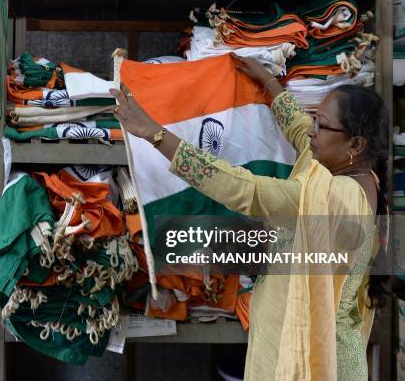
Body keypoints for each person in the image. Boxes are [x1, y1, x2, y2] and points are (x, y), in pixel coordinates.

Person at [110, 55, 389, 380]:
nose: (312, 131)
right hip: (286, 343)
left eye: (321, 124)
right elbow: (300, 129)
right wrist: (269, 82)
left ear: (354, 144)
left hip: (315, 360)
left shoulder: (337, 198)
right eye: (315, 119)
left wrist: (157, 135)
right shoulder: (337, 167)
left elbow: (248, 190)